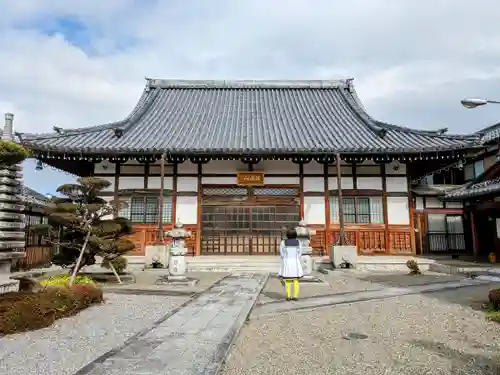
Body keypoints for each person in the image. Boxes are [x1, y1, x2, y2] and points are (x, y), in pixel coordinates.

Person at [279, 228, 303, 301]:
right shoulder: (298, 242)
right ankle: (295, 296)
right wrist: (296, 258)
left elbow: (281, 253)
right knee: (296, 280)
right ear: (295, 235)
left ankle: (288, 295)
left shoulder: (283, 242)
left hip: (287, 262)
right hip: (295, 262)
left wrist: (285, 258)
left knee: (288, 280)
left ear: (287, 235)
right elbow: (300, 253)